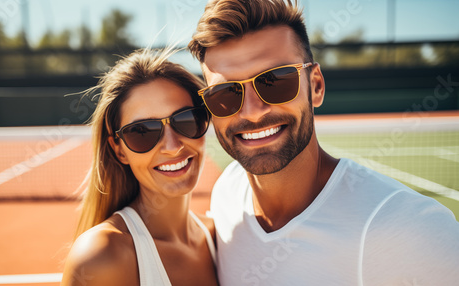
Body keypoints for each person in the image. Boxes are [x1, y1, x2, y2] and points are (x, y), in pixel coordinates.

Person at [188, 0, 459, 285]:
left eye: (275, 81)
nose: (253, 111)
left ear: (315, 85)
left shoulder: (410, 229)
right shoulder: (226, 195)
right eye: (225, 94)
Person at [61, 48, 219, 286]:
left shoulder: (219, 237)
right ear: (119, 150)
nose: (172, 146)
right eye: (142, 132)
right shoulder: (101, 257)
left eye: (186, 119)